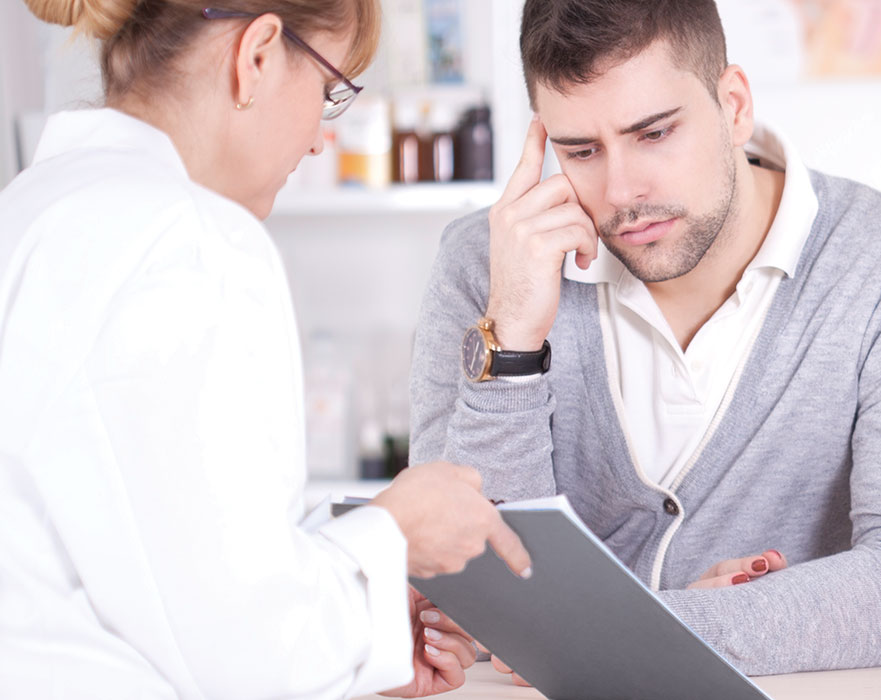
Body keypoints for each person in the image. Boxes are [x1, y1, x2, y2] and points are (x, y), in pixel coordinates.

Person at [409, 0, 881, 676]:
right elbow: (463, 596)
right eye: (581, 151)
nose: (622, 191)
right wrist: (511, 344)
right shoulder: (489, 264)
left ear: (733, 105)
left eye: (654, 133)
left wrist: (649, 626)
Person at [0, 1, 530, 697]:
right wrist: (395, 533)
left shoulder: (29, 210)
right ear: (256, 56)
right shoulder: (191, 240)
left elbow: (163, 578)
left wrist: (362, 618)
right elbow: (253, 660)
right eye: (329, 91)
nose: (318, 142)